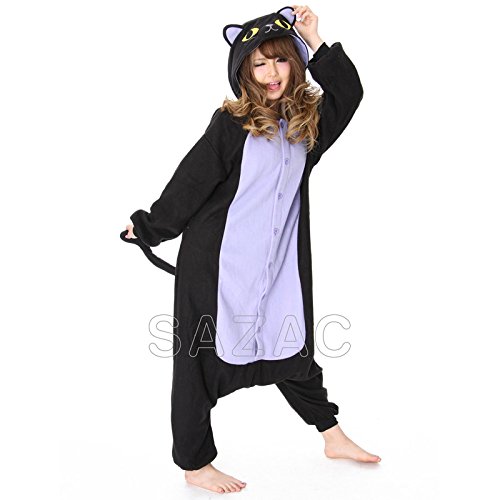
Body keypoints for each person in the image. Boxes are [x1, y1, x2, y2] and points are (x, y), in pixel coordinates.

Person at [121, 4, 380, 495]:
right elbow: (191, 182)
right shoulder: (231, 124)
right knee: (198, 362)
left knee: (292, 348)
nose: (271, 73)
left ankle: (332, 436)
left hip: (276, 265)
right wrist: (150, 227)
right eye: (259, 64)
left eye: (281, 60)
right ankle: (196, 464)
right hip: (215, 266)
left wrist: (315, 39)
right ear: (245, 71)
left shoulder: (306, 126)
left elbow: (349, 92)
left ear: (295, 63)